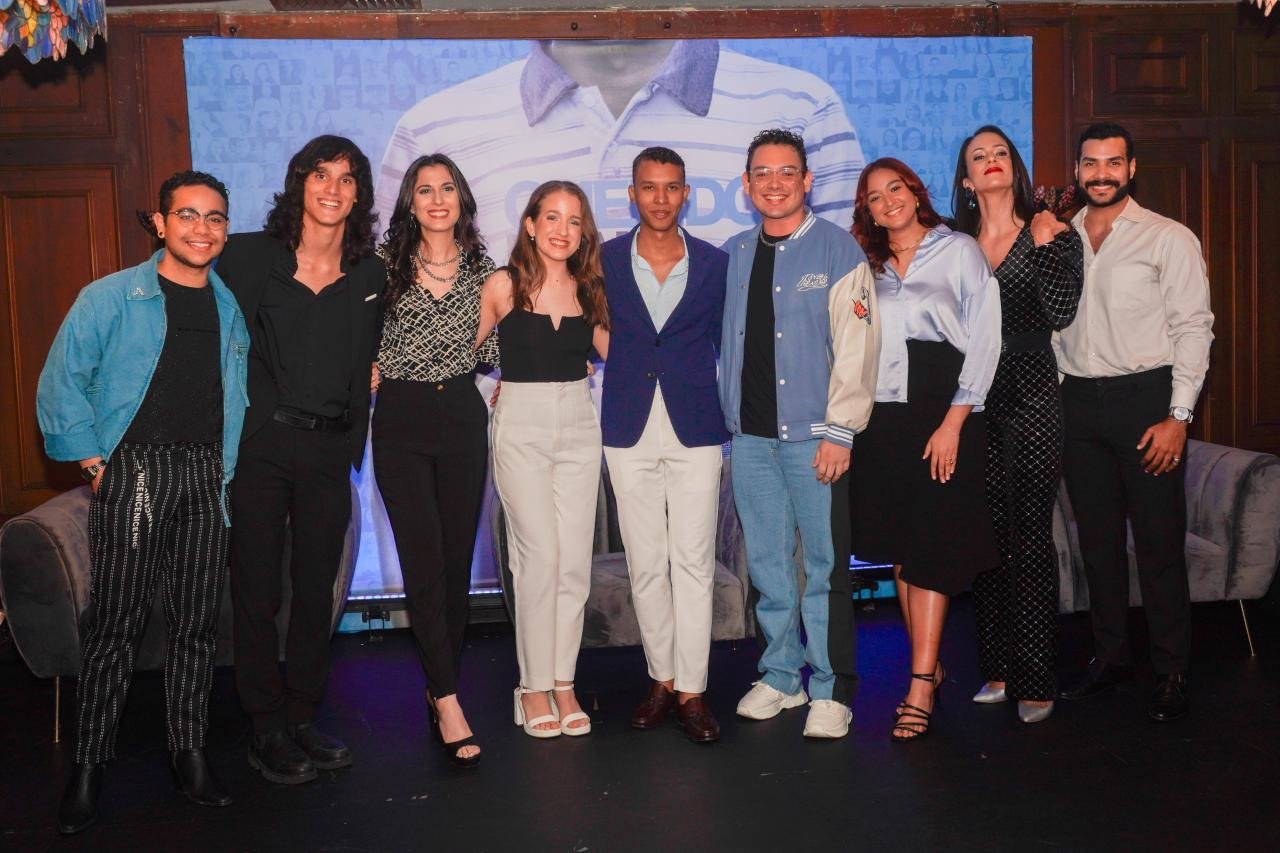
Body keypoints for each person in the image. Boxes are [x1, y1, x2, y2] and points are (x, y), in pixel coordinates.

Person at [38, 171, 249, 833]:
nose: (201, 229)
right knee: (116, 625)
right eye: (187, 215)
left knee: (195, 625)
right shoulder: (108, 298)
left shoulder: (228, 307)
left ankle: (189, 755)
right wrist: (93, 461)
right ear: (160, 224)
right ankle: (88, 766)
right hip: (136, 472)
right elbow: (61, 381)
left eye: (214, 217)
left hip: (204, 474)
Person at [216, 135, 385, 783]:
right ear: (299, 183)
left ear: (359, 194)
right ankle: (265, 726)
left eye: (346, 178)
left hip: (328, 448)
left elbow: (376, 349)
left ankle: (302, 714)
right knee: (257, 589)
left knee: (318, 590)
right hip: (261, 445)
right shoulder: (249, 255)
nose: (332, 188)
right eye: (320, 175)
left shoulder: (370, 274)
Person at [375, 40, 867, 258]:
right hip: (514, 428)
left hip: (730, 425)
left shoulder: (800, 106)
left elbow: (849, 290)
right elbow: (390, 292)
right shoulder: (434, 128)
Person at [719, 129, 881, 740]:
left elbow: (859, 349)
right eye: (762, 173)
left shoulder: (838, 250)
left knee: (824, 566)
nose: (774, 183)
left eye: (787, 172)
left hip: (818, 439)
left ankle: (832, 688)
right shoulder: (734, 253)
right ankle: (782, 676)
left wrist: (841, 432)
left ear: (807, 180)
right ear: (746, 184)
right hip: (751, 441)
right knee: (767, 565)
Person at [1054, 123, 1214, 722]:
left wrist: (1178, 416)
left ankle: (1171, 671)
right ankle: (1111, 658)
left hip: (1146, 401)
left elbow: (1194, 328)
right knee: (1097, 544)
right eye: (1090, 163)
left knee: (1158, 544)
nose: (1101, 174)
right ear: (1077, 170)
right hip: (1077, 403)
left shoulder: (1168, 238)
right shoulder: (1060, 239)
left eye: (1113, 163)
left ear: (1132, 168)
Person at [850, 157, 1001, 742]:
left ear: (916, 193)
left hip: (945, 407)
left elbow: (985, 336)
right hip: (884, 417)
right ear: (867, 210)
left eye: (896, 188)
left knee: (933, 548)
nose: (888, 200)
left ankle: (919, 685)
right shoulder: (867, 267)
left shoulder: (957, 249)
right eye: (874, 195)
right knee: (903, 547)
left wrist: (955, 420)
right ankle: (928, 665)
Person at [951, 125, 1083, 724]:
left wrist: (1047, 243)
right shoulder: (953, 245)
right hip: (971, 398)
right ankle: (999, 669)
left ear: (1014, 167)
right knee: (986, 535)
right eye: (979, 157)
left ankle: (1036, 678)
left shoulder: (1050, 230)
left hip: (1031, 388)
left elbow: (1062, 310)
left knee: (1030, 534)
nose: (991, 161)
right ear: (966, 180)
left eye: (1000, 152)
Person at [371, 154, 498, 766]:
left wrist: (554, 355)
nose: (438, 199)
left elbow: (503, 346)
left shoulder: (486, 270)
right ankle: (447, 698)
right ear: (410, 202)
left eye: (448, 188)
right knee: (422, 562)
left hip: (463, 421)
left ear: (462, 199)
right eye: (425, 190)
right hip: (402, 418)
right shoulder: (382, 265)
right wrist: (361, 368)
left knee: (453, 564)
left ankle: (438, 680)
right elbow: (351, 333)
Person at [599, 147, 729, 743]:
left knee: (694, 561)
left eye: (671, 187)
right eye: (648, 187)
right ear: (632, 193)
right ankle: (661, 679)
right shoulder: (601, 260)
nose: (660, 198)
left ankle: (693, 691)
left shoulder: (715, 264)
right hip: (627, 426)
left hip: (696, 425)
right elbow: (574, 328)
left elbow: (732, 341)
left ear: (686, 194)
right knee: (646, 562)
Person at [477, 180, 610, 739]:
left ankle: (563, 683)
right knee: (539, 559)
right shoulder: (502, 285)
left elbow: (623, 358)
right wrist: (493, 394)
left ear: (584, 233)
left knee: (574, 563)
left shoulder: (592, 291)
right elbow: (459, 359)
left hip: (579, 424)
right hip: (522, 427)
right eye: (551, 217)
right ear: (530, 225)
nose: (562, 230)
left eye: (574, 220)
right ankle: (531, 688)